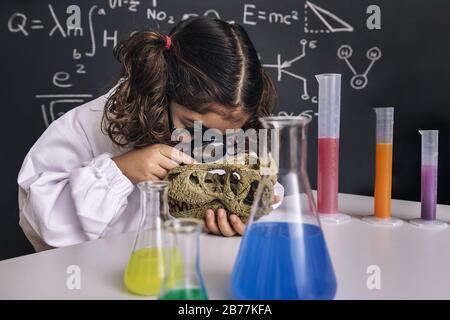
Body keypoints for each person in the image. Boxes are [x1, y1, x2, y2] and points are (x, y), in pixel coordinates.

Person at [17, 17, 278, 251]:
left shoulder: (219, 135)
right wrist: (119, 171)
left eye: (224, 136)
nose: (203, 142)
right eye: (190, 125)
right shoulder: (85, 126)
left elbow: (265, 188)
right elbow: (41, 223)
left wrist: (236, 215)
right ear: (161, 92)